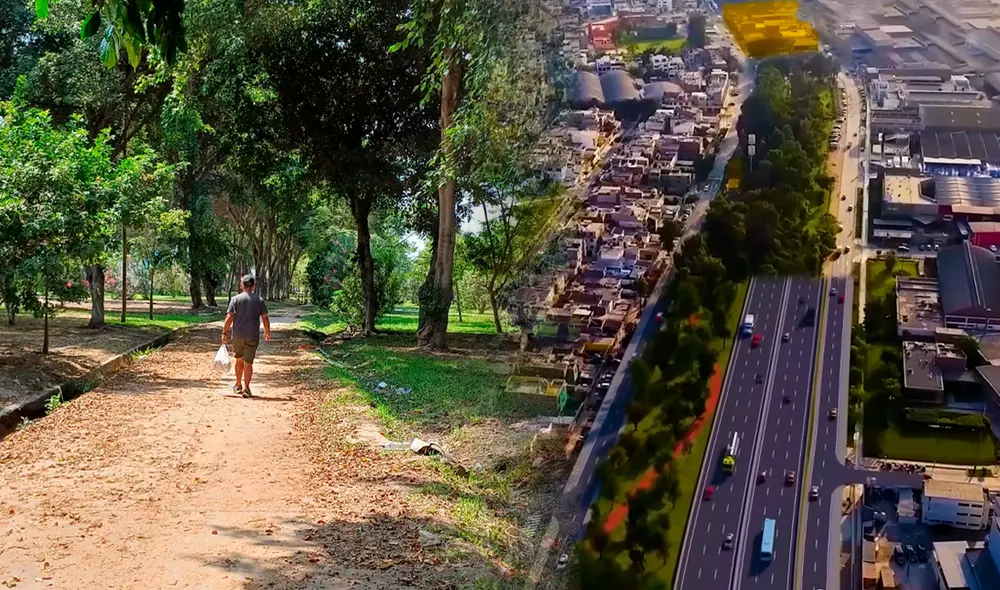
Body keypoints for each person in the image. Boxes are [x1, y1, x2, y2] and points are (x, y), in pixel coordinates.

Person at [221, 275, 271, 397]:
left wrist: (224, 333)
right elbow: (265, 317)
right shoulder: (259, 300)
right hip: (252, 335)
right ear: (253, 286)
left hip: (238, 335)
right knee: (248, 362)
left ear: (242, 285)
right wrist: (267, 331)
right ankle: (247, 389)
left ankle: (238, 385)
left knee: (239, 359)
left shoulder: (235, 299)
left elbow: (229, 317)